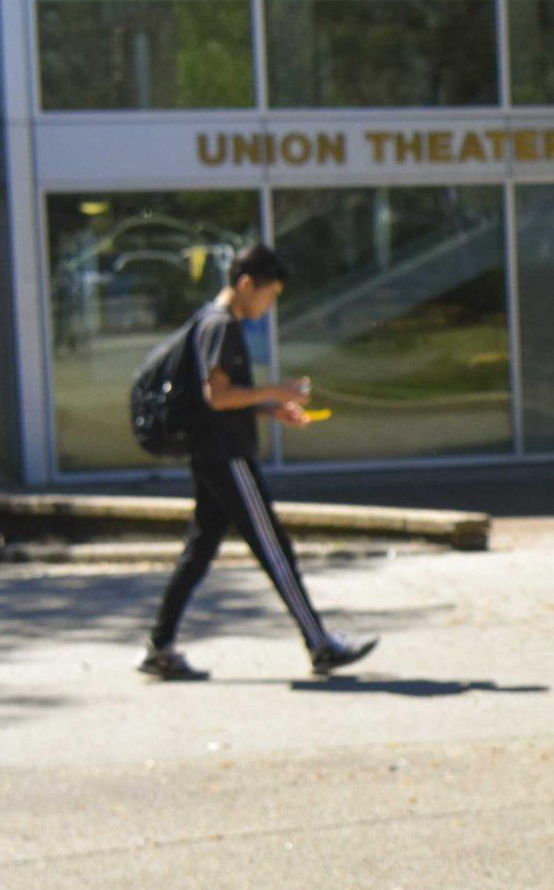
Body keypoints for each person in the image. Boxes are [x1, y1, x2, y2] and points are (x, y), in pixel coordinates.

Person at [139, 243, 376, 682]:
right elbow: (218, 396)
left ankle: (160, 646)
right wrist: (277, 391)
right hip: (227, 456)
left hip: (211, 453)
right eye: (270, 295)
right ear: (247, 284)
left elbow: (218, 401)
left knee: (199, 551)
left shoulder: (208, 322)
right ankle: (320, 643)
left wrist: (270, 410)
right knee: (275, 549)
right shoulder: (222, 326)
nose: (270, 306)